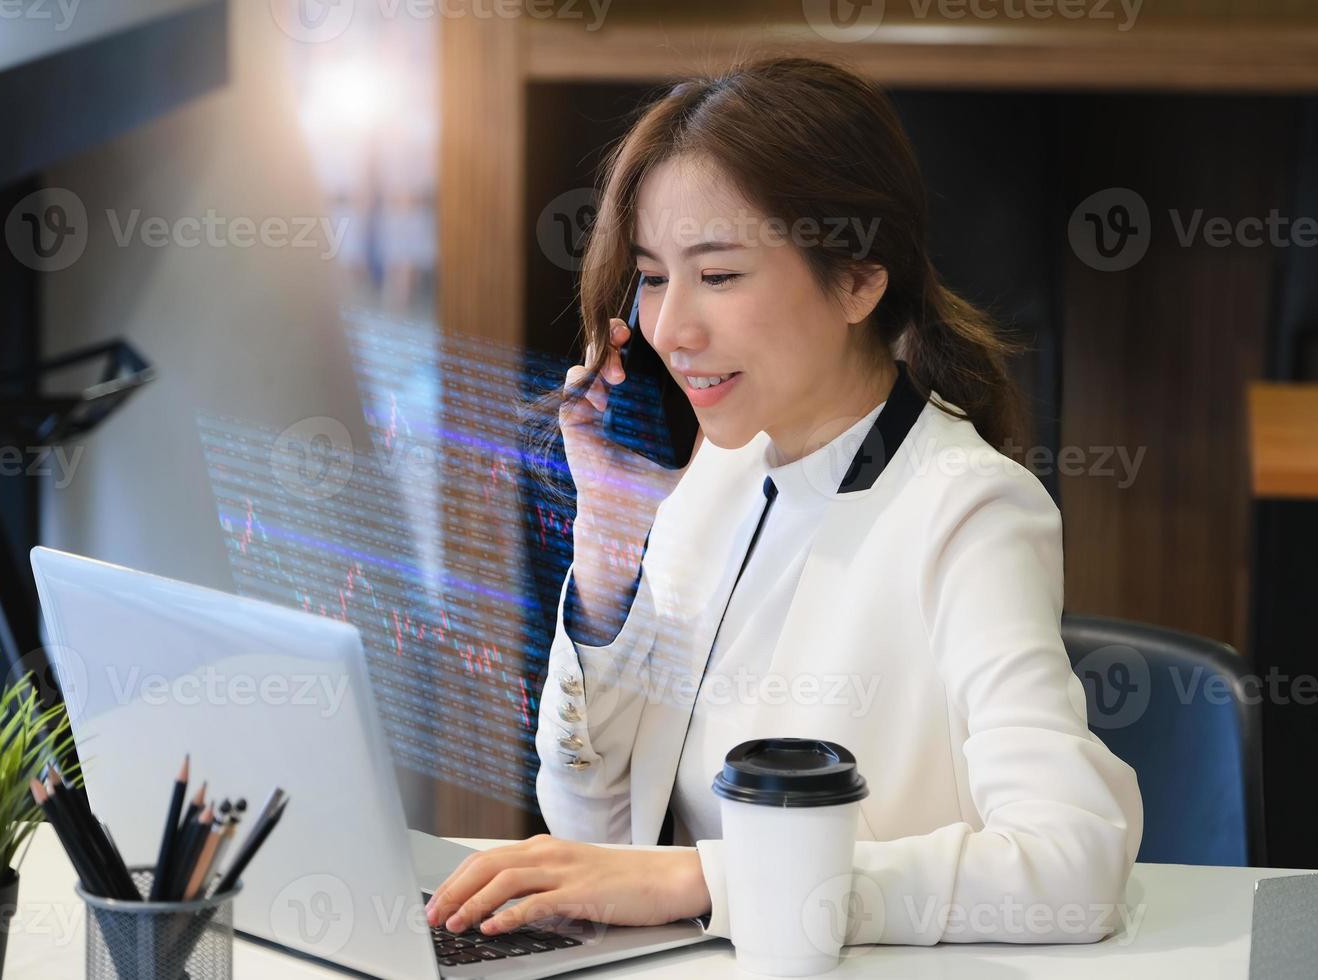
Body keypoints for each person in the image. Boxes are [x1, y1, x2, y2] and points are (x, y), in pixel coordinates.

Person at [425, 54, 1142, 947]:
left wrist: (708, 877)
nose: (670, 329)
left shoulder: (972, 509)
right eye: (651, 277)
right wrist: (608, 564)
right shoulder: (719, 477)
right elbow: (594, 836)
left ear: (858, 280)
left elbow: (1074, 861)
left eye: (718, 276)